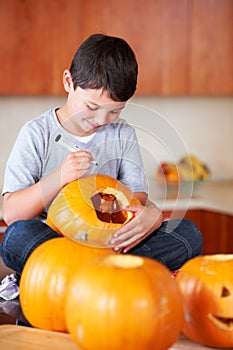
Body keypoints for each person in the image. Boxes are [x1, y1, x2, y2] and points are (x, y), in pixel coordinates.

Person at [0, 33, 203, 292]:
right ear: (68, 82)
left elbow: (137, 199)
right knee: (16, 238)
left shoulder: (122, 133)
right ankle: (111, 275)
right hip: (57, 245)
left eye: (115, 110)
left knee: (187, 234)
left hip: (111, 243)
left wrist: (148, 216)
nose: (101, 119)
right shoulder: (36, 133)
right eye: (91, 106)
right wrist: (59, 177)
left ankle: (80, 278)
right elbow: (12, 213)